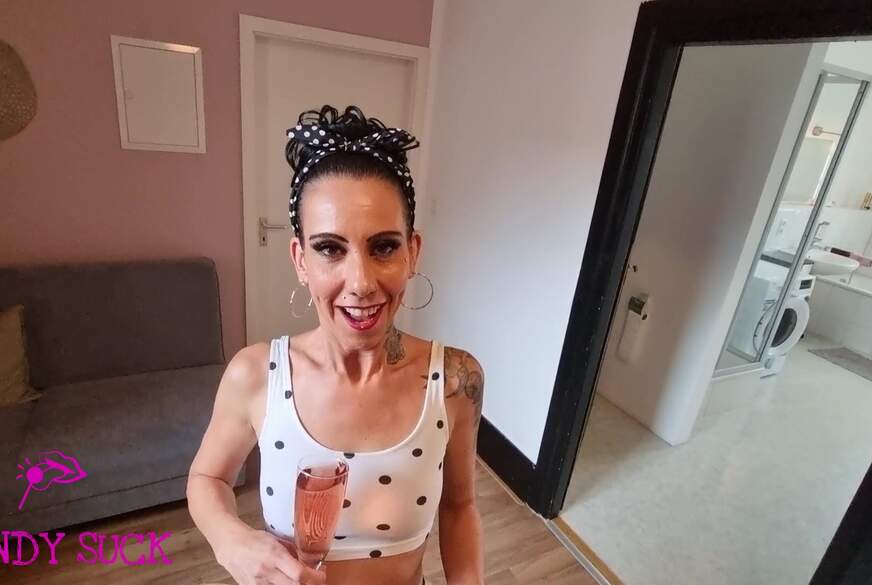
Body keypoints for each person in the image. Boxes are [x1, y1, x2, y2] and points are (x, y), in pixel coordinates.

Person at [187, 105, 485, 585]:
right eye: (330, 248)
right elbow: (207, 479)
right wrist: (229, 539)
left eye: (383, 247)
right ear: (300, 260)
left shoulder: (453, 380)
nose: (361, 282)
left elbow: (460, 506)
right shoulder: (256, 374)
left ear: (412, 252)